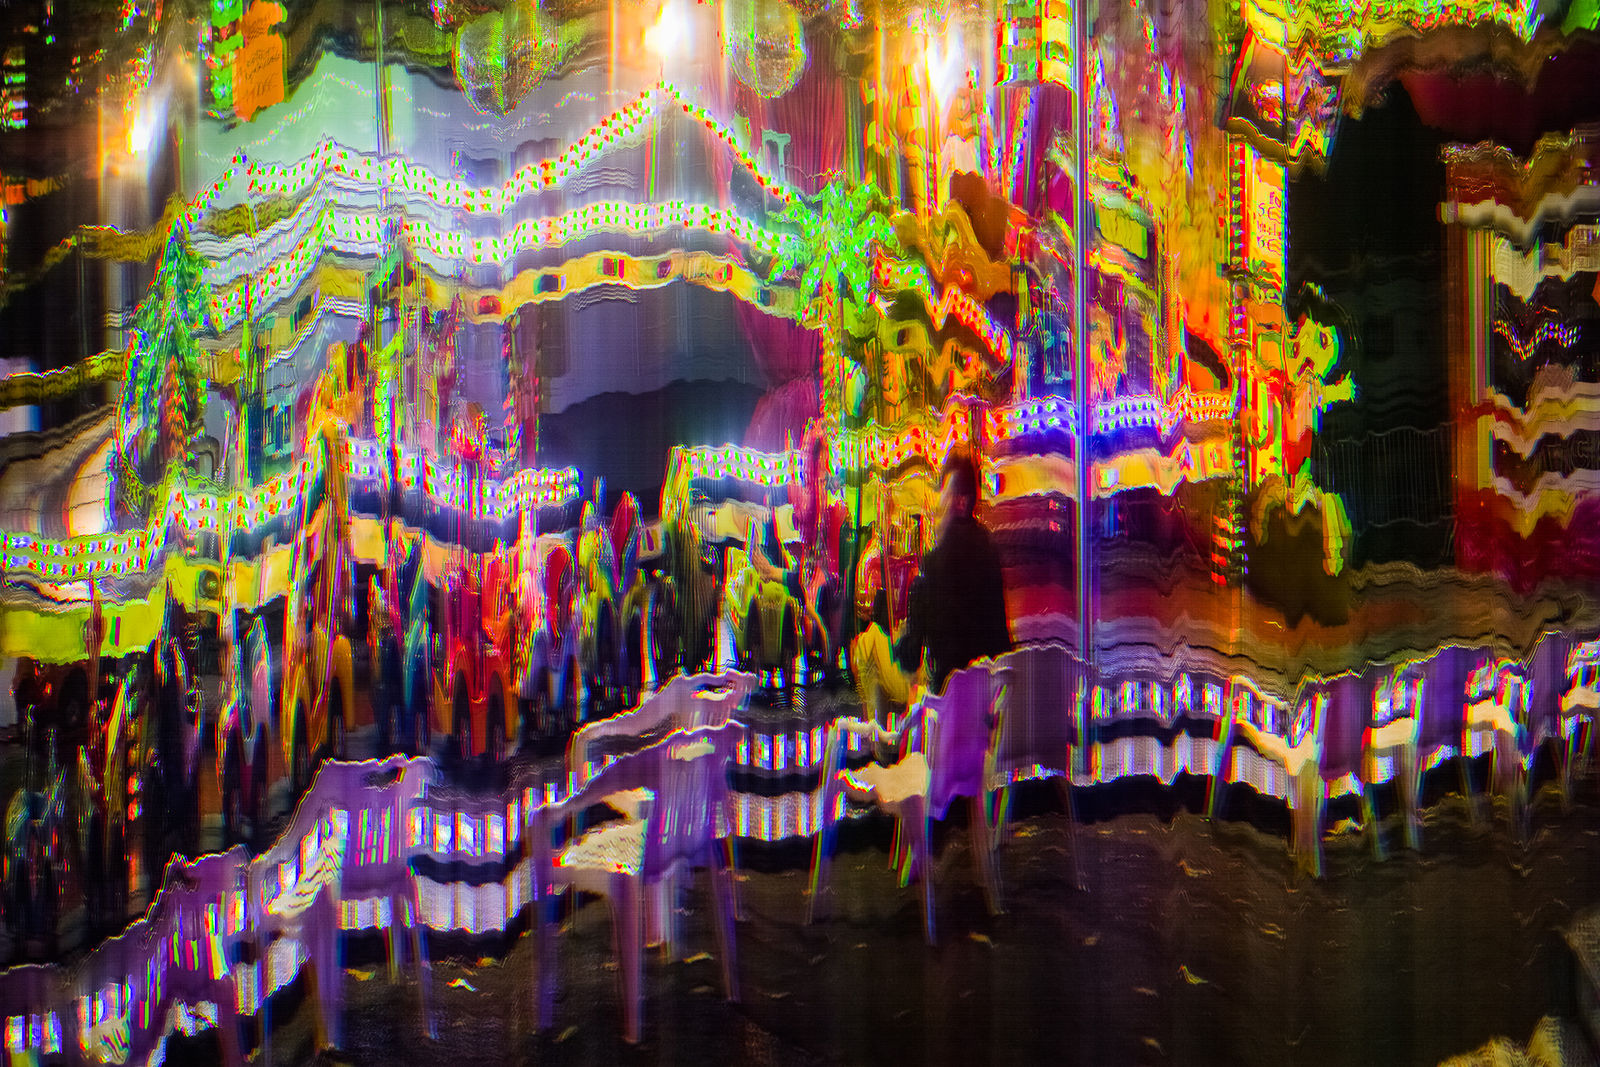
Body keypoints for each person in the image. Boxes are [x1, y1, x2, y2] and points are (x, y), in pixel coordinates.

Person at [891, 448, 1012, 693]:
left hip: (951, 698)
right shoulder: (989, 550)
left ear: (960, 501)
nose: (939, 503)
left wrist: (900, 636)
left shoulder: (935, 566)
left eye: (943, 493)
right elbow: (1000, 638)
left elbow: (910, 659)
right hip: (989, 693)